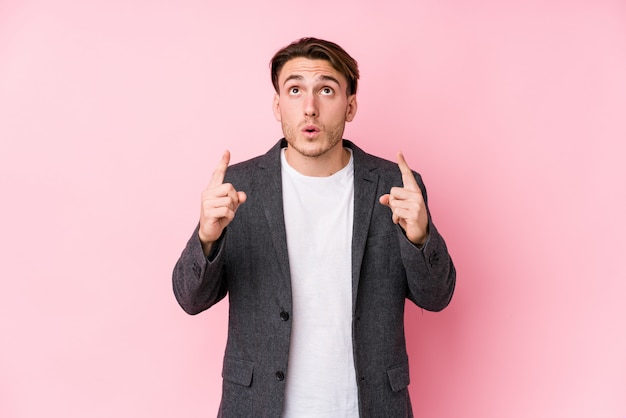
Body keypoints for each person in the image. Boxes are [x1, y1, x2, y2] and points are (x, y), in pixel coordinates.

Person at [173, 37, 456, 418]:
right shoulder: (238, 188)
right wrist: (207, 237)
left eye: (326, 89)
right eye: (295, 90)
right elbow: (190, 300)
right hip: (258, 407)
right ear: (278, 105)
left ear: (350, 105)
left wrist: (420, 237)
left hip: (369, 407)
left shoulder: (397, 187)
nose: (310, 108)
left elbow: (436, 297)